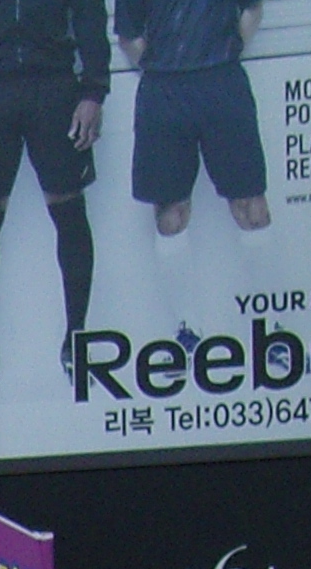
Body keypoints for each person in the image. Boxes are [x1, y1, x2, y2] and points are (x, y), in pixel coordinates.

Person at [0, 0, 110, 396]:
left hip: (55, 87)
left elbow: (89, 14)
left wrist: (94, 91)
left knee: (69, 213)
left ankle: (77, 339)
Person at [116, 0, 271, 348]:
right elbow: (128, 36)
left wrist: (226, 53)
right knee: (170, 216)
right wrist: (163, 66)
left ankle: (269, 327)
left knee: (253, 210)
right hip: (164, 92)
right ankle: (186, 329)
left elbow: (252, 9)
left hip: (222, 84)